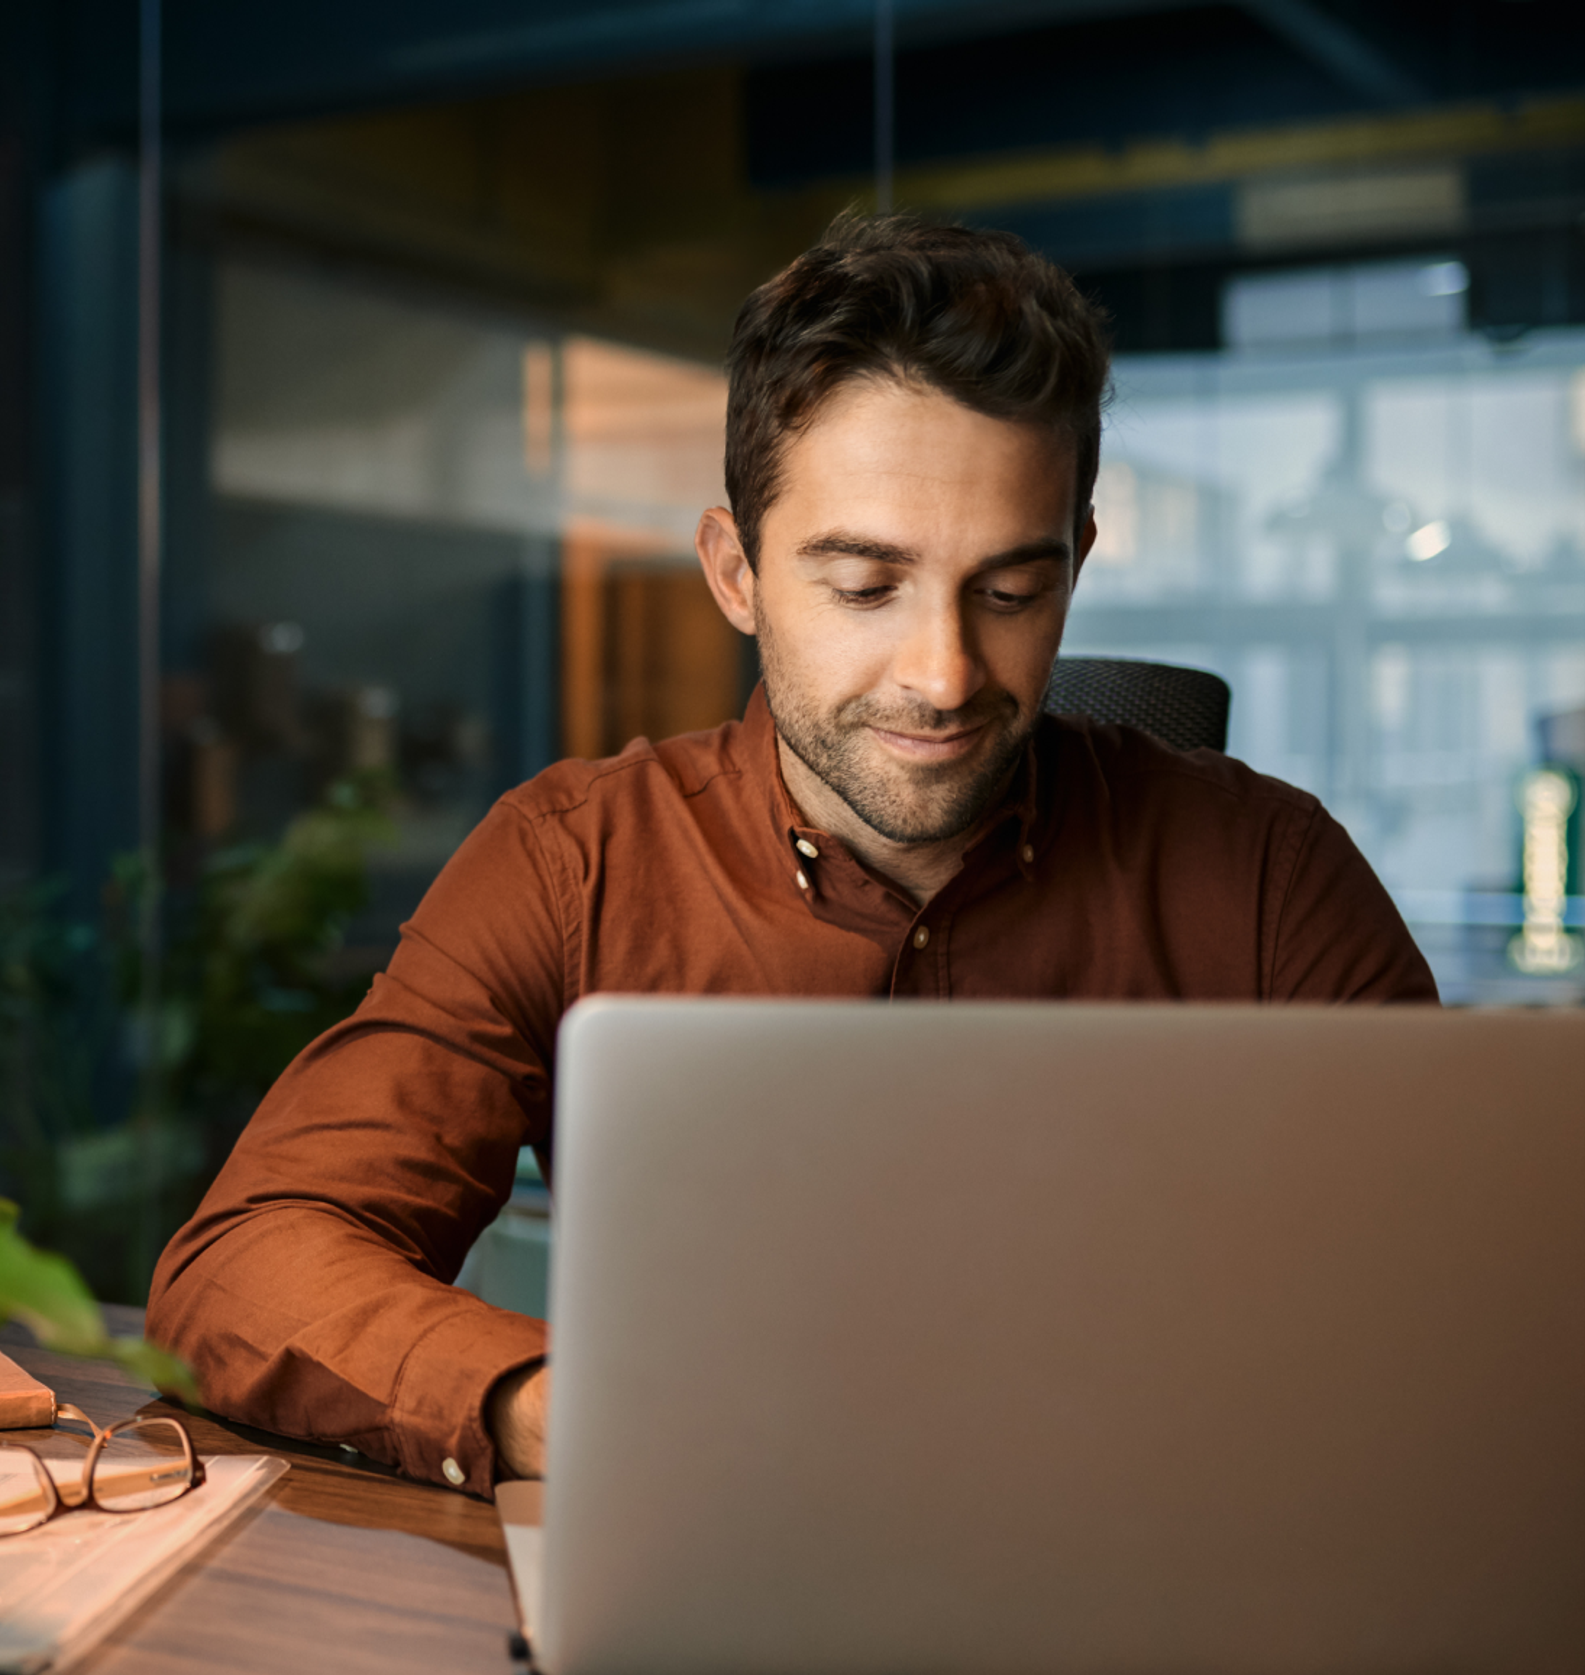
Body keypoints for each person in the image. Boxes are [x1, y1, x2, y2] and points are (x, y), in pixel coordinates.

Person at [147, 213, 1436, 1495]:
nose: (942, 675)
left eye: (1010, 591)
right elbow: (246, 1263)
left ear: (1077, 564)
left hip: (1177, 1559)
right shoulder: (569, 863)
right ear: (737, 572)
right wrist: (554, 1411)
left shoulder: (1271, 875)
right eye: (865, 586)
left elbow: (1469, 1299)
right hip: (710, 1558)